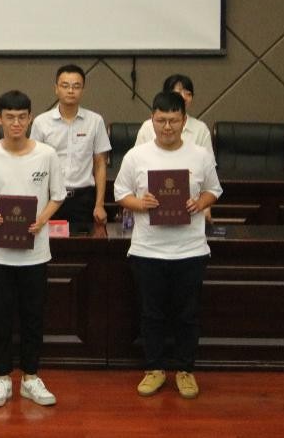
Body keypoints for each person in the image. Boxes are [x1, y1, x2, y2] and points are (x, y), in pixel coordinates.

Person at [114, 91, 222, 400]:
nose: (167, 127)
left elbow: (214, 190)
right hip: (148, 250)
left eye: (173, 120)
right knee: (151, 314)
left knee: (188, 315)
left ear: (184, 121)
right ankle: (155, 369)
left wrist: (199, 202)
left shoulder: (200, 155)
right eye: (161, 120)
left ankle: (185, 370)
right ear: (152, 119)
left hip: (190, 250)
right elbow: (120, 193)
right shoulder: (136, 156)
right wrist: (141, 203)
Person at [0, 90, 65, 408]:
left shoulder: (47, 155)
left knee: (34, 317)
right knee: (1, 318)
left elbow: (58, 195)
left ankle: (31, 377)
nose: (16, 123)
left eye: (22, 117)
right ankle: (2, 377)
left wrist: (42, 219)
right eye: (10, 117)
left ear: (30, 118)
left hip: (36, 253)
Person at [30, 65, 111, 229]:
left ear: (83, 90)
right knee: (48, 243)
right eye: (65, 86)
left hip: (83, 198)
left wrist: (99, 204)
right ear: (56, 88)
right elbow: (34, 164)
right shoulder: (41, 122)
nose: (70, 91)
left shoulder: (95, 121)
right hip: (50, 197)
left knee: (82, 244)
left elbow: (100, 164)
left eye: (76, 86)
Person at [135, 74, 213, 153]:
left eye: (188, 94)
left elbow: (207, 159)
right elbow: (136, 157)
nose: (184, 98)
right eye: (178, 93)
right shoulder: (147, 127)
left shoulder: (200, 129)